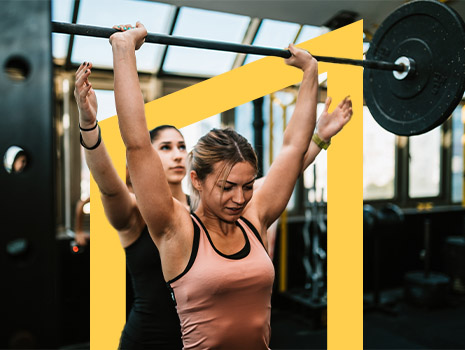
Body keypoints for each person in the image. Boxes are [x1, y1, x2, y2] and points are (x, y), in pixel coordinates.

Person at [109, 22, 352, 349]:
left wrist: (310, 73)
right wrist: (124, 51)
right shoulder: (176, 230)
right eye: (227, 187)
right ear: (197, 179)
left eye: (248, 185)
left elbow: (293, 148)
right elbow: (137, 143)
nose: (240, 198)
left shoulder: (255, 218)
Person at [74, 63, 186, 349]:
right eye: (166, 147)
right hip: (146, 341)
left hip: (196, 341)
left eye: (182, 146)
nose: (178, 155)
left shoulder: (200, 209)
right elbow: (109, 187)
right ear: (148, 157)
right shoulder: (137, 212)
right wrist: (88, 124)